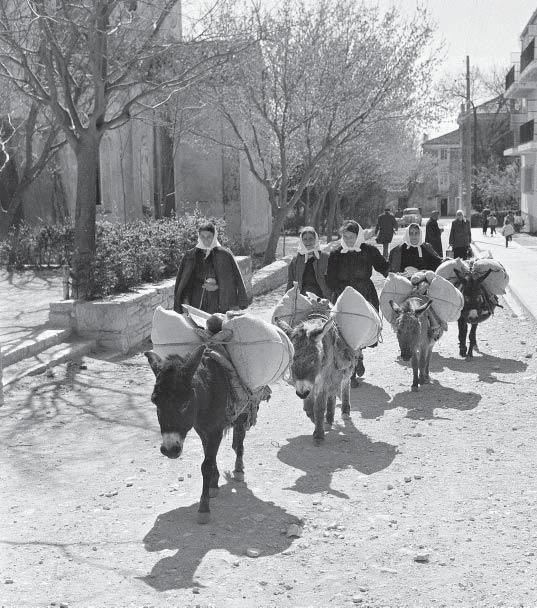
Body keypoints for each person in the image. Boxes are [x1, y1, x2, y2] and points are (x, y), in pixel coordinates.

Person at [326, 220, 389, 384]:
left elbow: (384, 267)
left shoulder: (369, 251)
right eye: (345, 237)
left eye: (351, 237)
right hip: (343, 296)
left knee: (360, 328)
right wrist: (337, 290)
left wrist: (395, 274)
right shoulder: (336, 253)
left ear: (358, 235)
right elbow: (330, 278)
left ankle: (358, 355)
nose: (348, 240)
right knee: (344, 331)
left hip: (364, 294)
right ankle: (351, 369)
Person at [173, 222, 249, 314]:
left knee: (217, 326)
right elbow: (185, 281)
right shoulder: (191, 256)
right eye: (202, 236)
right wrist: (184, 301)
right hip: (196, 303)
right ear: (199, 237)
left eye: (209, 236)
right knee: (197, 327)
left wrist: (217, 287)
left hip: (218, 303)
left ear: (214, 236)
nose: (205, 240)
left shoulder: (224, 255)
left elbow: (233, 281)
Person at [388, 223, 446, 335]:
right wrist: (399, 274)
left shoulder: (426, 247)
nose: (414, 236)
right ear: (407, 234)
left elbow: (437, 262)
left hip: (424, 280)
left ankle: (436, 322)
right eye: (411, 233)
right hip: (405, 281)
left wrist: (445, 262)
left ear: (420, 234)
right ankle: (399, 324)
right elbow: (391, 269)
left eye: (416, 233)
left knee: (427, 293)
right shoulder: (399, 250)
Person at [286, 226, 330, 299]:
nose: (308, 242)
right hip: (302, 299)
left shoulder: (325, 257)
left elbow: (332, 280)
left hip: (322, 298)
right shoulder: (296, 260)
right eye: (305, 239)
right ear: (301, 241)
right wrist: (287, 300)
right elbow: (290, 282)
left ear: (315, 239)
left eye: (311, 238)